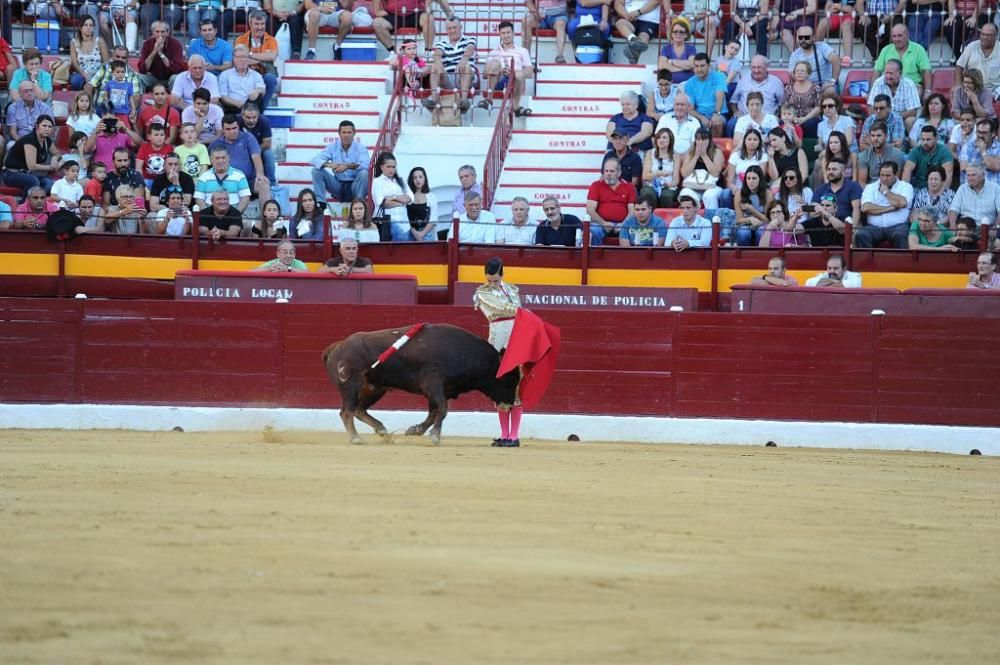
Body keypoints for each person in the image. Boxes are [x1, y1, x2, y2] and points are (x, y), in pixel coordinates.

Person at [473, 256, 523, 447]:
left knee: (516, 389)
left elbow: (516, 310)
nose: (492, 283)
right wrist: (519, 311)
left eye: (495, 280)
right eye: (489, 280)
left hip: (517, 342)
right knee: (501, 389)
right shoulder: (482, 293)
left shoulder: (513, 289)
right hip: (497, 344)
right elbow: (499, 308)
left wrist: (520, 312)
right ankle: (504, 434)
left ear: (502, 275)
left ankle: (514, 436)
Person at [210, 114, 269, 201]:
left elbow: (256, 157)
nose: (232, 132)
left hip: (249, 181)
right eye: (228, 129)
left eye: (234, 128)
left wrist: (260, 175)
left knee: (264, 184)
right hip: (226, 182)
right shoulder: (216, 144)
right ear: (223, 130)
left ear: (238, 127)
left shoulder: (248, 137)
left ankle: (266, 214)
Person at [857, 161, 914, 249]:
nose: (884, 178)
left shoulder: (906, 187)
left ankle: (903, 263)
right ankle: (866, 262)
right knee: (861, 234)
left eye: (888, 175)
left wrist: (886, 192)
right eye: (882, 175)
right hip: (874, 227)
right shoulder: (871, 187)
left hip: (898, 226)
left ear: (896, 174)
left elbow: (902, 203)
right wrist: (891, 207)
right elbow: (866, 208)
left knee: (900, 234)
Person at [482, 20, 534, 116]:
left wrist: (515, 72)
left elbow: (530, 72)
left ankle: (516, 107)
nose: (506, 36)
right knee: (495, 63)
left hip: (515, 80)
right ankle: (489, 100)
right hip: (499, 81)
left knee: (518, 74)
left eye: (508, 33)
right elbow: (485, 75)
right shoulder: (493, 52)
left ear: (513, 33)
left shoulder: (522, 51)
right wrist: (499, 71)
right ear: (500, 35)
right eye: (503, 33)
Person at [425, 17, 476, 114]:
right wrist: (439, 68)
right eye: (449, 28)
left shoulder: (470, 39)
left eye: (455, 27)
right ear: (446, 30)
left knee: (466, 67)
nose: (452, 30)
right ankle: (434, 102)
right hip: (448, 78)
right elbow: (437, 54)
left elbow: (470, 48)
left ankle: (463, 102)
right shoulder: (442, 43)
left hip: (465, 76)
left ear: (461, 27)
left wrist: (463, 61)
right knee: (435, 66)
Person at [727, 56, 785, 138]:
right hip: (744, 117)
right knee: (731, 124)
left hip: (767, 118)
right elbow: (733, 101)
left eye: (759, 67)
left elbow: (781, 103)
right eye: (754, 67)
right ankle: (733, 150)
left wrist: (777, 115)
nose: (756, 70)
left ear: (766, 67)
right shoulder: (743, 80)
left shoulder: (776, 82)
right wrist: (736, 112)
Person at [2, 115, 59, 195]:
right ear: (37, 126)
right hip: (12, 174)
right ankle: (25, 204)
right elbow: (32, 166)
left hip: (29, 173)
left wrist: (54, 159)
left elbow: (57, 153)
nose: (47, 129)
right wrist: (51, 167)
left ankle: (39, 203)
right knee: (33, 181)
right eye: (44, 126)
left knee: (49, 183)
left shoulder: (46, 140)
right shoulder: (30, 140)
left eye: (50, 127)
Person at [586, 157, 637, 245]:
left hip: (624, 224)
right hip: (601, 223)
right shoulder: (596, 185)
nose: (608, 174)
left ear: (619, 173)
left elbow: (632, 210)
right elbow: (590, 209)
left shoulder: (629, 187)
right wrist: (603, 223)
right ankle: (595, 258)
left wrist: (624, 224)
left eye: (612, 171)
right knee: (593, 231)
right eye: (606, 171)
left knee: (635, 232)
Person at [372, 0, 454, 54]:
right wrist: (377, 10)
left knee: (429, 18)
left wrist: (449, 15)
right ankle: (392, 53)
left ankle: (428, 52)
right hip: (393, 15)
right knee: (377, 23)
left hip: (415, 13)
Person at [234, 10, 279, 109]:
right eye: (256, 24)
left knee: (271, 79)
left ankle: (260, 110)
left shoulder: (271, 40)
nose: (260, 27)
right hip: (246, 74)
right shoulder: (240, 39)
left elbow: (272, 56)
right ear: (250, 24)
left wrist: (250, 54)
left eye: (262, 24)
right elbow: (240, 58)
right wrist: (262, 58)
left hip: (264, 74)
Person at [304, 0, 373, 60]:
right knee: (314, 14)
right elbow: (307, 4)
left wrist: (346, 2)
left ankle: (337, 46)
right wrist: (320, 8)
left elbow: (348, 8)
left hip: (336, 13)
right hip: (319, 12)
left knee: (348, 16)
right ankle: (311, 51)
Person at [869, 59, 922, 135]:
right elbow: (871, 106)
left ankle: (913, 145)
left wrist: (892, 118)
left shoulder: (909, 84)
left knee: (910, 120)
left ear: (900, 73)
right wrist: (881, 117)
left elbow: (913, 111)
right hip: (881, 119)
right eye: (886, 73)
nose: (888, 76)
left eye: (891, 73)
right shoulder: (878, 82)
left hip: (902, 119)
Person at [874, 23, 931, 94]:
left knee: (916, 92)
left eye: (900, 36)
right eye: (894, 36)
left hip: (913, 85)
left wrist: (927, 91)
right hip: (889, 85)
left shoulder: (918, 49)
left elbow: (926, 70)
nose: (897, 39)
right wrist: (871, 91)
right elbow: (877, 71)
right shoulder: (886, 50)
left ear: (907, 35)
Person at [677, 128, 724, 209]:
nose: (700, 142)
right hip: (693, 186)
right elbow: (684, 174)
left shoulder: (717, 152)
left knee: (709, 195)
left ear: (709, 140)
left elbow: (716, 173)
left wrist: (704, 156)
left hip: (713, 187)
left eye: (704, 139)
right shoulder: (690, 153)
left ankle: (711, 219)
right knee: (685, 193)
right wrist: (695, 156)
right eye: (698, 139)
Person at [368, 151, 411, 240]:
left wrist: (393, 197)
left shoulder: (401, 181)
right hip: (388, 224)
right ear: (382, 167)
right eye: (388, 167)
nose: (391, 169)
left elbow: (410, 198)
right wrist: (401, 202)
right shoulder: (377, 182)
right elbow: (383, 203)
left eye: (393, 167)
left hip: (405, 225)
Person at [683, 53, 728, 137]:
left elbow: (720, 97)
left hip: (719, 113)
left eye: (702, 66)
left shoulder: (719, 77)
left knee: (716, 122)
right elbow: (690, 109)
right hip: (700, 115)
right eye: (696, 66)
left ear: (709, 65)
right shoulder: (690, 83)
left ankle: (714, 149)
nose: (699, 69)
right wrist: (701, 118)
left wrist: (716, 113)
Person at [195, 147, 251, 213]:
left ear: (229, 158)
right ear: (211, 160)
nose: (220, 161)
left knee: (246, 223)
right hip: (210, 218)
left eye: (223, 157)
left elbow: (245, 199)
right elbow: (199, 199)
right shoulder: (204, 176)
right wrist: (208, 215)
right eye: (217, 158)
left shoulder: (239, 175)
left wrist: (235, 215)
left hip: (234, 217)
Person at [787, 24, 840, 93]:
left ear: (813, 37)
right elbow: (792, 74)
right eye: (800, 37)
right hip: (805, 86)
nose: (803, 40)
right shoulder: (795, 55)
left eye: (807, 37)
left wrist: (832, 81)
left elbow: (836, 60)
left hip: (824, 84)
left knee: (830, 90)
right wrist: (807, 85)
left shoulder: (822, 47)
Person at [903, 125, 955, 192]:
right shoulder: (916, 151)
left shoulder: (944, 151)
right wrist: (905, 191)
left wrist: (941, 194)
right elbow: (907, 170)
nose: (925, 142)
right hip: (918, 187)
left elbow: (948, 174)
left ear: (936, 139)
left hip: (937, 188)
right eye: (923, 139)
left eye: (928, 139)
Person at [955, 23, 1000, 100]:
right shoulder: (971, 46)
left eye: (988, 35)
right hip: (973, 87)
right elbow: (959, 67)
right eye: (983, 34)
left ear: (996, 36)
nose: (984, 37)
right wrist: (958, 86)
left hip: (994, 88)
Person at [948, 164, 1000, 230]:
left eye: (973, 175)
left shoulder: (995, 188)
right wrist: (953, 225)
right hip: (965, 228)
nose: (970, 178)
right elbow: (954, 210)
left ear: (983, 175)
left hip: (988, 228)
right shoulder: (962, 188)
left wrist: (995, 228)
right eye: (968, 175)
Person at [813, 157, 862, 224]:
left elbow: (856, 209)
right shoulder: (820, 190)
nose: (830, 172)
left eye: (834, 169)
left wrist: (853, 229)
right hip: (826, 226)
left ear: (843, 172)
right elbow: (813, 212)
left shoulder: (853, 186)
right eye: (829, 169)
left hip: (846, 226)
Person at [138, 22, 187, 90]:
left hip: (170, 77)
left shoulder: (176, 44)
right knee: (138, 78)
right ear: (153, 33)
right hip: (153, 77)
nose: (160, 35)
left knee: (176, 78)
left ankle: (174, 99)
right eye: (157, 32)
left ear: (167, 32)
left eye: (163, 32)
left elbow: (178, 69)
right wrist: (154, 51)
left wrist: (161, 54)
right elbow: (142, 69)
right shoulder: (147, 43)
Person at [219, 45, 266, 115]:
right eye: (238, 57)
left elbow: (263, 90)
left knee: (259, 96)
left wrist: (258, 90)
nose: (242, 60)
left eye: (244, 57)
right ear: (233, 59)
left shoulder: (256, 75)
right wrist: (237, 103)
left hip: (251, 108)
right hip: (233, 108)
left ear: (248, 59)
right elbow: (223, 96)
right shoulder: (225, 75)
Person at [733, 164, 773, 245]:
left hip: (763, 223)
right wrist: (750, 219)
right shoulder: (739, 194)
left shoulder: (768, 194)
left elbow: (768, 219)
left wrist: (751, 209)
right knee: (743, 233)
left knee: (761, 232)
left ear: (760, 179)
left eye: (754, 178)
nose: (751, 181)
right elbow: (738, 220)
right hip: (745, 223)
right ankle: (742, 256)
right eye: (748, 178)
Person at [858, 121, 907, 186]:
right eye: (873, 135)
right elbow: (862, 182)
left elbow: (896, 180)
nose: (875, 139)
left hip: (891, 189)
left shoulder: (897, 155)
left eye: (879, 135)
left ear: (886, 136)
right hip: (870, 190)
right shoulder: (863, 156)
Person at [781, 62, 822, 140]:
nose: (799, 72)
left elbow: (818, 107)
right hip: (791, 117)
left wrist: (805, 118)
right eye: (797, 71)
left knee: (810, 124)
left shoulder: (815, 88)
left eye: (802, 71)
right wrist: (792, 118)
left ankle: (808, 147)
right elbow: (785, 106)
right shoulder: (788, 88)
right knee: (782, 122)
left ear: (808, 74)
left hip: (809, 118)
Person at [641, 127, 678, 208]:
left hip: (668, 186)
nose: (661, 140)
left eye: (664, 137)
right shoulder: (650, 153)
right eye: (659, 137)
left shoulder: (675, 156)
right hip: (651, 184)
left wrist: (667, 185)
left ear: (670, 141)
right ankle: (651, 218)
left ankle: (665, 219)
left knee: (666, 196)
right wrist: (658, 173)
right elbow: (645, 176)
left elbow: (676, 181)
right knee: (648, 193)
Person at [69, 16, 109, 91]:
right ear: (80, 28)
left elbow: (106, 62)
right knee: (75, 81)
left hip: (97, 72)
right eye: (85, 25)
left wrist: (98, 75)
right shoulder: (74, 42)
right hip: (81, 72)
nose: (88, 28)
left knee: (102, 81)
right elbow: (74, 62)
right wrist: (84, 74)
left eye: (91, 25)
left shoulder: (99, 41)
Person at [240, 103, 276, 186]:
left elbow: (267, 144)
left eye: (254, 117)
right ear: (242, 116)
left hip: (260, 149)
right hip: (241, 149)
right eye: (248, 117)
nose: (251, 120)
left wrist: (253, 151)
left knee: (269, 154)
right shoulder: (237, 121)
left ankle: (272, 184)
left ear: (258, 115)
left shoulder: (264, 121)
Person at [613, 0, 660, 64]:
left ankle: (634, 54)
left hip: (649, 19)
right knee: (620, 23)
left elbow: (656, 1)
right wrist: (625, 14)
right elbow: (618, 3)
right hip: (630, 18)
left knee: (644, 36)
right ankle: (633, 40)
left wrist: (638, 12)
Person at [523, 0, 569, 64]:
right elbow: (528, 2)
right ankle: (526, 57)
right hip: (539, 16)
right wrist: (535, 12)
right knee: (526, 21)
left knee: (561, 24)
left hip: (559, 15)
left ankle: (560, 56)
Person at [959, 119, 1000, 186]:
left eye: (984, 133)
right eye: (978, 132)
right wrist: (988, 163)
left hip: (994, 192)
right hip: (970, 191)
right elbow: (963, 166)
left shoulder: (999, 148)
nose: (980, 135)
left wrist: (983, 152)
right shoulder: (968, 146)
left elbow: (996, 166)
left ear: (993, 134)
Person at [657, 17, 696, 85]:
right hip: (669, 86)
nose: (678, 34)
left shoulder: (691, 49)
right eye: (675, 31)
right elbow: (661, 66)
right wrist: (685, 68)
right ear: (671, 34)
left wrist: (672, 62)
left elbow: (692, 64)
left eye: (681, 32)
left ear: (686, 35)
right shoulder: (666, 49)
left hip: (688, 85)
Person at [404, 166, 438, 242]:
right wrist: (414, 232)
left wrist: (422, 234)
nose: (418, 180)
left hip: (427, 235)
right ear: (411, 180)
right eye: (415, 178)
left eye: (420, 177)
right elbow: (404, 217)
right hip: (409, 234)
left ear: (424, 178)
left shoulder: (431, 197)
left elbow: (434, 218)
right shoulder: (407, 196)